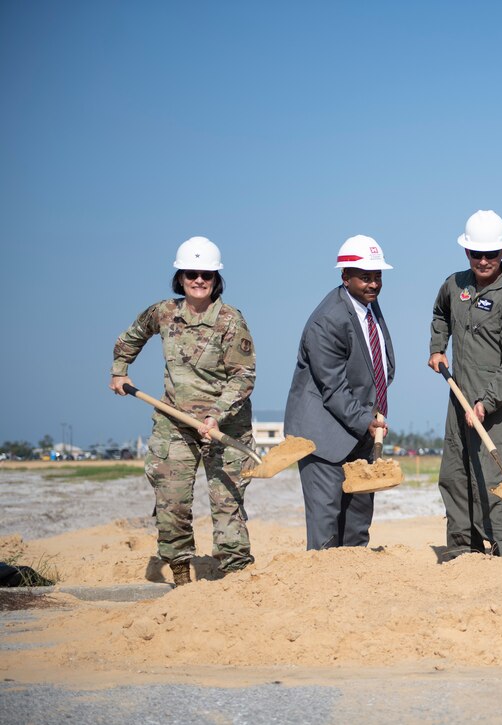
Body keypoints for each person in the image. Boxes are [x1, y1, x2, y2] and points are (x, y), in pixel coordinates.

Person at [109, 236, 256, 585]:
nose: (199, 280)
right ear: (180, 277)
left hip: (225, 428)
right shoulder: (164, 313)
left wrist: (215, 415)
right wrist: (119, 369)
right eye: (191, 273)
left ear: (217, 279)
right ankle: (180, 576)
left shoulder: (231, 321)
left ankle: (237, 579)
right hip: (175, 423)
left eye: (206, 274)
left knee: (227, 506)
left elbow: (243, 375)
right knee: (171, 502)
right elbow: (130, 337)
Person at [429, 210, 502, 562]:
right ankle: (462, 546)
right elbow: (440, 314)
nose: (484, 261)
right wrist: (437, 348)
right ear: (466, 253)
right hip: (458, 397)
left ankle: (501, 548)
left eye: (491, 254)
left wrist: (486, 403)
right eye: (477, 254)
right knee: (456, 471)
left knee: (494, 475)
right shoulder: (454, 285)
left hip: (496, 407)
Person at [285, 236, 395, 551]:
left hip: (360, 430)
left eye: (377, 276)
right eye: (365, 276)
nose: (373, 283)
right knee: (326, 531)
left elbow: (375, 363)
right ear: (345, 276)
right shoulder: (328, 320)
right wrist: (367, 420)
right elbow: (332, 388)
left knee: (357, 528)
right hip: (323, 438)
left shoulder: (368, 306)